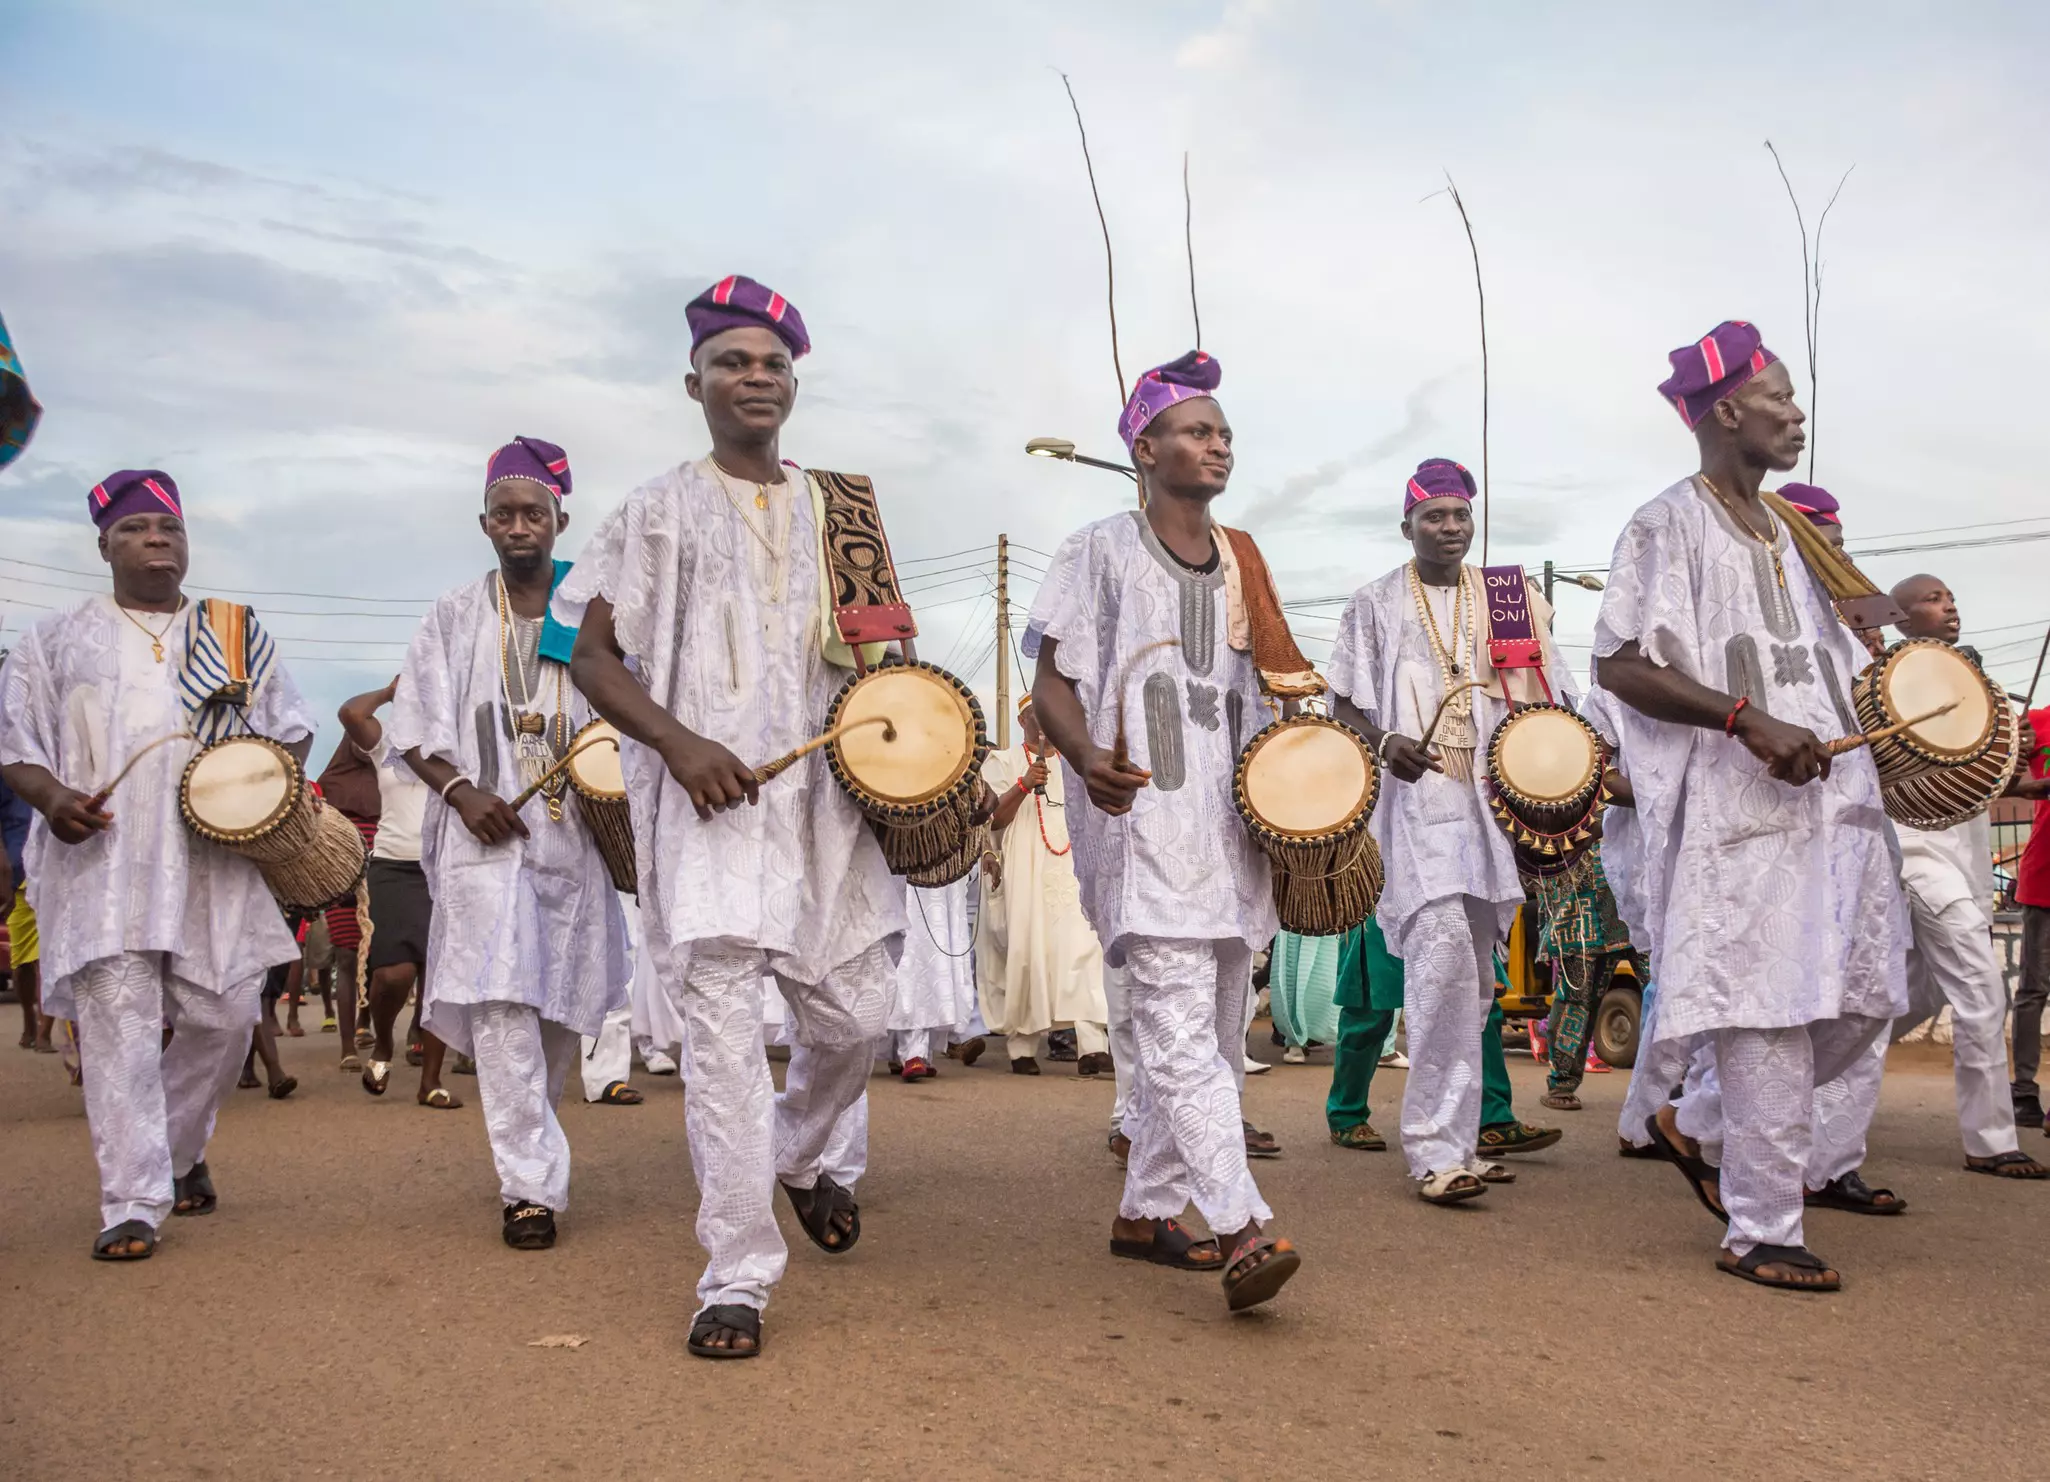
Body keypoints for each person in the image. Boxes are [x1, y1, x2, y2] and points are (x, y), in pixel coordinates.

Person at [558, 276, 909, 1359]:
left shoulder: (845, 509)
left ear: (793, 383)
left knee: (857, 1020)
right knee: (718, 1047)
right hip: (707, 812)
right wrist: (676, 742)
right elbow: (585, 651)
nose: (755, 378)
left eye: (772, 365)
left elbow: (887, 659)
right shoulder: (653, 509)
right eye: (733, 363)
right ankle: (737, 1274)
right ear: (694, 383)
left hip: (825, 811)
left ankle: (801, 1154)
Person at [1593, 321, 1908, 1292]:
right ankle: (1759, 1226)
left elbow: (1842, 668)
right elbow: (1617, 663)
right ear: (1728, 408)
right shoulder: (1664, 524)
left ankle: (1701, 1121)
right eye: (1779, 395)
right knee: (1769, 1012)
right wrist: (1742, 720)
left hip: (1833, 807)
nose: (1795, 411)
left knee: (1869, 998)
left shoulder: (1796, 537)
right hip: (1735, 817)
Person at [1027, 348, 1306, 1311]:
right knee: (1181, 1030)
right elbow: (1052, 680)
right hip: (1138, 815)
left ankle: (1146, 1212)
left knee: (1219, 1037)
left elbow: (1277, 690)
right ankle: (1239, 1224)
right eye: (1195, 429)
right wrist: (1085, 758)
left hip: (1229, 831)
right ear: (1145, 448)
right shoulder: (1097, 551)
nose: (1216, 443)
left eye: (1223, 430)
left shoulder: (1245, 560)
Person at [0, 469, 313, 1260]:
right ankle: (131, 1201)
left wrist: (253, 784)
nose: (156, 540)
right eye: (137, 528)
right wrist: (52, 799)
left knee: (230, 1013)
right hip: (100, 863)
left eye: (168, 528)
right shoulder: (54, 640)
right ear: (104, 543)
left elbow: (293, 729)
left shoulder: (235, 632)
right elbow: (16, 746)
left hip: (213, 861)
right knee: (120, 1027)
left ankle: (175, 1149)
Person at [387, 438, 631, 1250]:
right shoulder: (454, 617)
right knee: (499, 1008)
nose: (519, 525)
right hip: (483, 842)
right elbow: (413, 726)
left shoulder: (593, 611)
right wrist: (462, 792)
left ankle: (536, 1145)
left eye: (534, 512)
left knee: (559, 1012)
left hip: (576, 842)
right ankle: (528, 1189)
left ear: (561, 519)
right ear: (484, 523)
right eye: (504, 513)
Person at [1326, 457, 1574, 1205]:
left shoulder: (1506, 595)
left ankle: (1460, 1142)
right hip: (1419, 809)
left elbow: (1548, 695)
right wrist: (1383, 741)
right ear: (1407, 526)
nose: (1451, 527)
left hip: (1491, 812)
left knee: (1474, 986)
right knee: (1437, 974)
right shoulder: (1374, 603)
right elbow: (1342, 704)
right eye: (1434, 516)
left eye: (1461, 514)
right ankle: (1434, 1152)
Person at [1802, 571, 2047, 1183]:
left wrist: (2020, 777)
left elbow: (1974, 775)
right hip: (1914, 850)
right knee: (1979, 986)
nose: (1949, 606)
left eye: (1951, 597)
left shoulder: (1965, 684)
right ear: (1899, 616)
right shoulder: (1886, 682)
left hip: (1961, 852)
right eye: (1933, 600)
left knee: (1909, 997)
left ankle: (1778, 1087)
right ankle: (1991, 1140)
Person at [337, 679, 459, 1110]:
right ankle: (384, 1044)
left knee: (438, 980)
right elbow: (351, 714)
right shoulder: (386, 743)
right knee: (394, 974)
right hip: (392, 866)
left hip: (445, 868)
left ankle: (431, 1080)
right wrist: (390, 692)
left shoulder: (456, 745)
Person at [977, 696, 1110, 1076]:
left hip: (1071, 869)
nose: (1044, 725)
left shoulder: (1074, 766)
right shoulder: (1001, 762)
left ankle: (1092, 1047)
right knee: (1027, 954)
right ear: (1023, 720)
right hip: (1024, 868)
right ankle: (1022, 1049)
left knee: (1083, 950)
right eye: (1037, 717)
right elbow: (992, 821)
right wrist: (1023, 784)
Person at [887, 873, 978, 1082]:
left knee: (935, 954)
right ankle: (910, 1052)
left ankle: (913, 1052)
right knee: (911, 948)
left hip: (940, 869)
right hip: (907, 865)